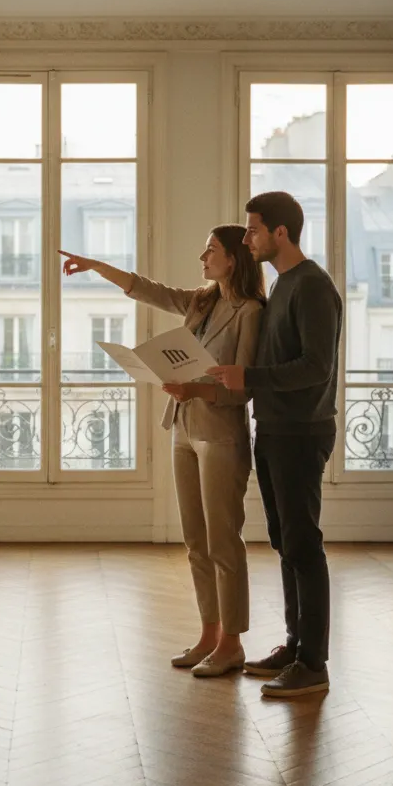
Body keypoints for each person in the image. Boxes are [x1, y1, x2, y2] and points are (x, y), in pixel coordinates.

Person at [60, 225, 264, 677]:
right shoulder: (202, 301)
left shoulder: (250, 312)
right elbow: (146, 290)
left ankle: (232, 643)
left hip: (220, 434)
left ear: (232, 258)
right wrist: (96, 267)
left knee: (223, 541)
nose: (202, 256)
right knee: (195, 540)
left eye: (210, 250)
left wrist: (196, 386)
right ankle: (209, 635)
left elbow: (243, 387)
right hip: (183, 429)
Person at [207, 191, 342, 698]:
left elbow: (316, 368)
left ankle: (314, 663)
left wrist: (249, 375)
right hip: (276, 429)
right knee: (287, 543)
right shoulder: (284, 285)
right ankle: (295, 645)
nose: (247, 240)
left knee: (303, 544)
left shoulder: (311, 287)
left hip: (302, 433)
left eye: (254, 230)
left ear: (280, 233)